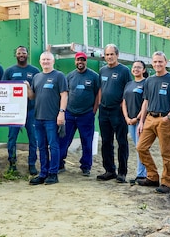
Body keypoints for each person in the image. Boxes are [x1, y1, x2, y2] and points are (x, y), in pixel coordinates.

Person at [137, 51, 170, 194]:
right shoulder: (149, 80)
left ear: (166, 62)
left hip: (164, 120)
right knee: (141, 148)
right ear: (152, 63)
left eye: (160, 62)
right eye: (155, 62)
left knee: (165, 152)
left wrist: (168, 117)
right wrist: (141, 121)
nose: (157, 64)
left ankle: (166, 182)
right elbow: (146, 101)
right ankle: (152, 176)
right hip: (150, 118)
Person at [27, 52, 67, 185]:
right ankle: (43, 173)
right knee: (42, 146)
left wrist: (61, 112)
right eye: (43, 59)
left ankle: (53, 173)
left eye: (48, 59)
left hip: (52, 118)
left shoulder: (59, 76)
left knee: (53, 146)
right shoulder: (37, 77)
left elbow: (64, 95)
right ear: (40, 61)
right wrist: (27, 87)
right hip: (38, 118)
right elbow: (32, 96)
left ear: (53, 61)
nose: (46, 62)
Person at [59, 51, 99, 177]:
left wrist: (93, 111)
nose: (80, 62)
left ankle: (86, 167)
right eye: (78, 60)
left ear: (86, 61)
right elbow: (64, 94)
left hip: (86, 114)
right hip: (70, 114)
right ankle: (60, 163)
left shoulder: (93, 76)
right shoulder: (70, 76)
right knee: (64, 140)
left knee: (87, 141)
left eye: (82, 60)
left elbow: (98, 94)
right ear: (75, 61)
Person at [2, 46, 40, 175]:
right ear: (16, 55)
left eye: (24, 53)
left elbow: (38, 91)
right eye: (19, 53)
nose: (21, 55)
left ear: (27, 54)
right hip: (14, 111)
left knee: (33, 139)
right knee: (12, 138)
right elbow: (3, 90)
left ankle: (32, 164)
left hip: (30, 111)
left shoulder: (35, 71)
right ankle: (12, 164)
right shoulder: (9, 71)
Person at [97, 44, 132, 183]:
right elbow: (100, 88)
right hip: (104, 111)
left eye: (112, 54)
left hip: (118, 111)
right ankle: (109, 170)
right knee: (106, 142)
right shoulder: (102, 70)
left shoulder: (124, 70)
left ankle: (122, 172)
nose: (109, 57)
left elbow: (128, 90)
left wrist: (124, 108)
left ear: (117, 55)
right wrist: (100, 103)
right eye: (107, 54)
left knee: (121, 141)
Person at [121, 60, 148, 184]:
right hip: (130, 121)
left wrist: (137, 119)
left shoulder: (146, 83)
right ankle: (141, 173)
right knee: (138, 147)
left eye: (139, 67)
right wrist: (127, 118)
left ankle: (142, 175)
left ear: (144, 70)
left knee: (140, 147)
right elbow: (124, 102)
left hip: (140, 121)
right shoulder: (129, 84)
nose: (136, 69)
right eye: (134, 67)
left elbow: (145, 103)